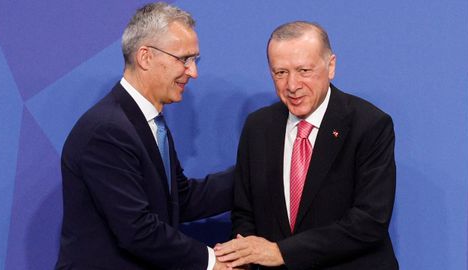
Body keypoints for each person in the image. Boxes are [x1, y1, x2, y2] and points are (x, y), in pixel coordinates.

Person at [55, 2, 234, 269]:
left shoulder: (146, 121)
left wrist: (254, 175)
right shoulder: (107, 130)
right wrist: (211, 262)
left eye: (195, 60)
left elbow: (178, 200)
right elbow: (136, 230)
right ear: (145, 57)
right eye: (184, 59)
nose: (193, 72)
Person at [214, 21, 398, 269]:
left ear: (330, 66)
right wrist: (244, 255)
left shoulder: (369, 125)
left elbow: (369, 221)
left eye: (303, 71)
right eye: (280, 73)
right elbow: (244, 212)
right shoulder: (258, 126)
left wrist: (282, 252)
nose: (292, 85)